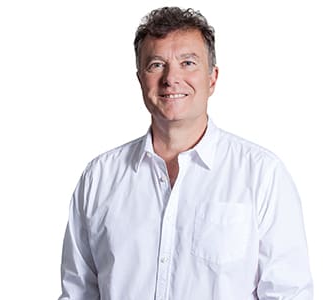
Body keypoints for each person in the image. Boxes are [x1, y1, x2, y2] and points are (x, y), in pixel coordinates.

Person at [58, 6, 313, 300]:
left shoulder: (262, 175)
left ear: (212, 78)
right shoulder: (99, 178)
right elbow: (77, 293)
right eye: (156, 65)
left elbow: (288, 293)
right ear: (141, 79)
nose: (171, 78)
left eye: (188, 62)